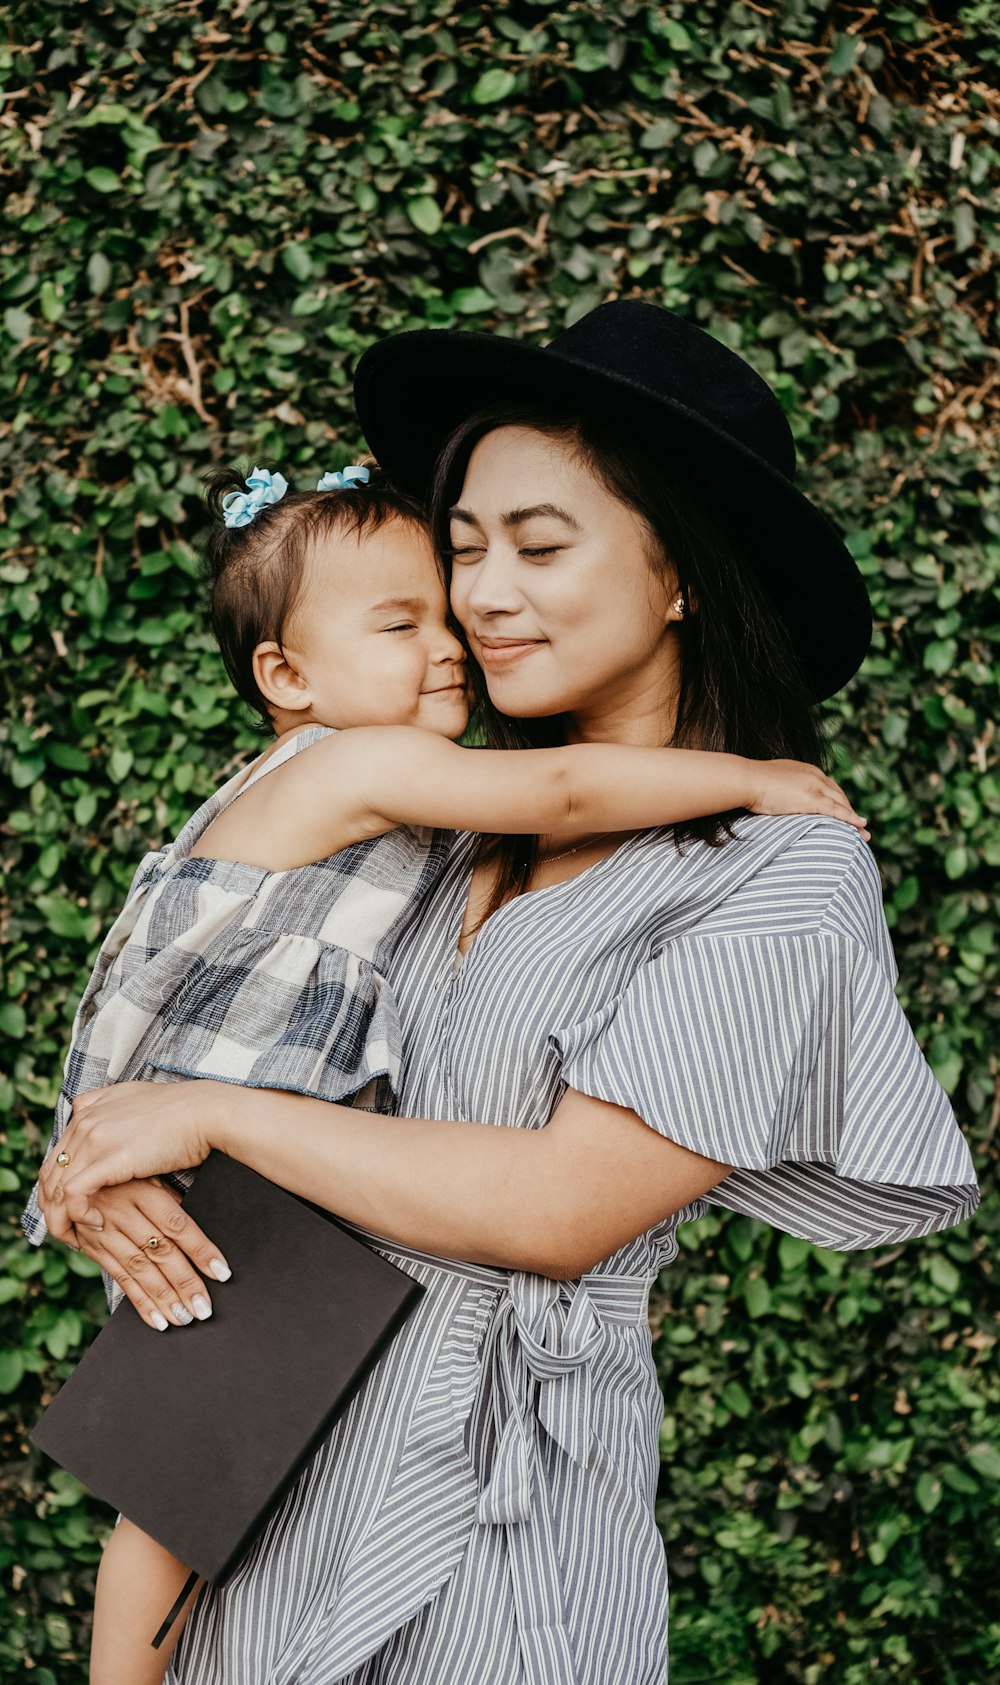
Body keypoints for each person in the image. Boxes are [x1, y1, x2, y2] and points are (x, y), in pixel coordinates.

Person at [36, 302, 979, 1685]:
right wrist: (109, 1166)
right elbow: (225, 1017)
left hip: (504, 1498)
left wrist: (202, 1111)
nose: (482, 594)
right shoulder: (432, 828)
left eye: (539, 546)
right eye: (464, 549)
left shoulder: (784, 871)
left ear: (681, 575)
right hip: (275, 1441)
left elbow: (560, 1207)